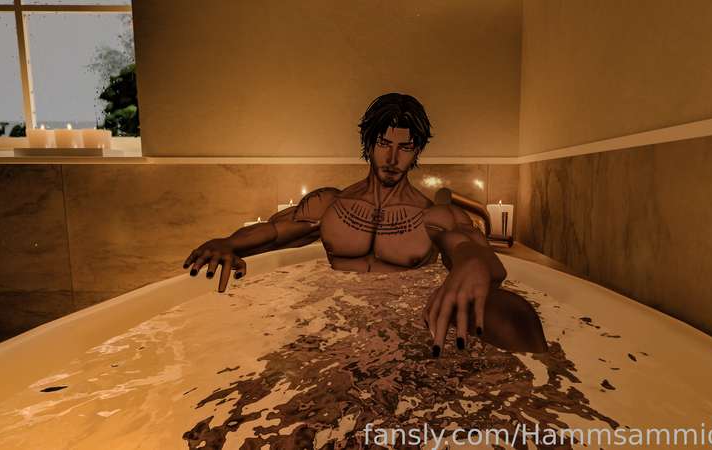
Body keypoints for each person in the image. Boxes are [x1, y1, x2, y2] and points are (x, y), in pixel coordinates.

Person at [183, 93, 546, 356]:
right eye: (384, 143)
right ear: (368, 144)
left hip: (405, 331)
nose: (392, 158)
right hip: (331, 324)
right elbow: (273, 232)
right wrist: (228, 243)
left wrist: (471, 261)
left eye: (405, 148)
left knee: (518, 319)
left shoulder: (433, 216)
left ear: (417, 152)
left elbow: (470, 247)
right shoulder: (331, 205)